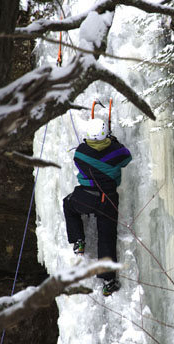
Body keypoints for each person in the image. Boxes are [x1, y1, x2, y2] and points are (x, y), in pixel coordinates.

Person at [63, 118, 132, 296]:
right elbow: (127, 157)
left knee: (68, 204)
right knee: (106, 238)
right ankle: (109, 282)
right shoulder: (117, 151)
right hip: (108, 200)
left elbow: (78, 163)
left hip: (85, 196)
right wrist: (114, 142)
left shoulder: (81, 152)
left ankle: (78, 241)